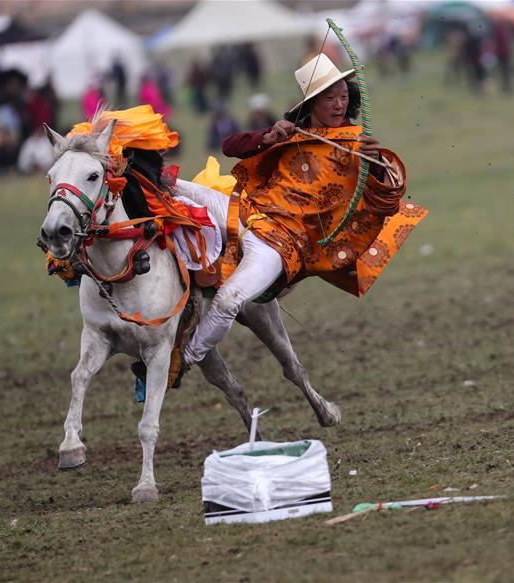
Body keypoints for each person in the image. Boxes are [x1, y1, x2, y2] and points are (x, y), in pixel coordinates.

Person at [182, 54, 425, 368]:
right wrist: (267, 136)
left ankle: (183, 361)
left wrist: (375, 164)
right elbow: (230, 146)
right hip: (246, 211)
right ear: (312, 104)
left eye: (343, 97)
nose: (339, 105)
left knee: (228, 301)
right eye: (330, 98)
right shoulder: (291, 133)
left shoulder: (355, 144)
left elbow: (388, 198)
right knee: (171, 185)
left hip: (284, 245)